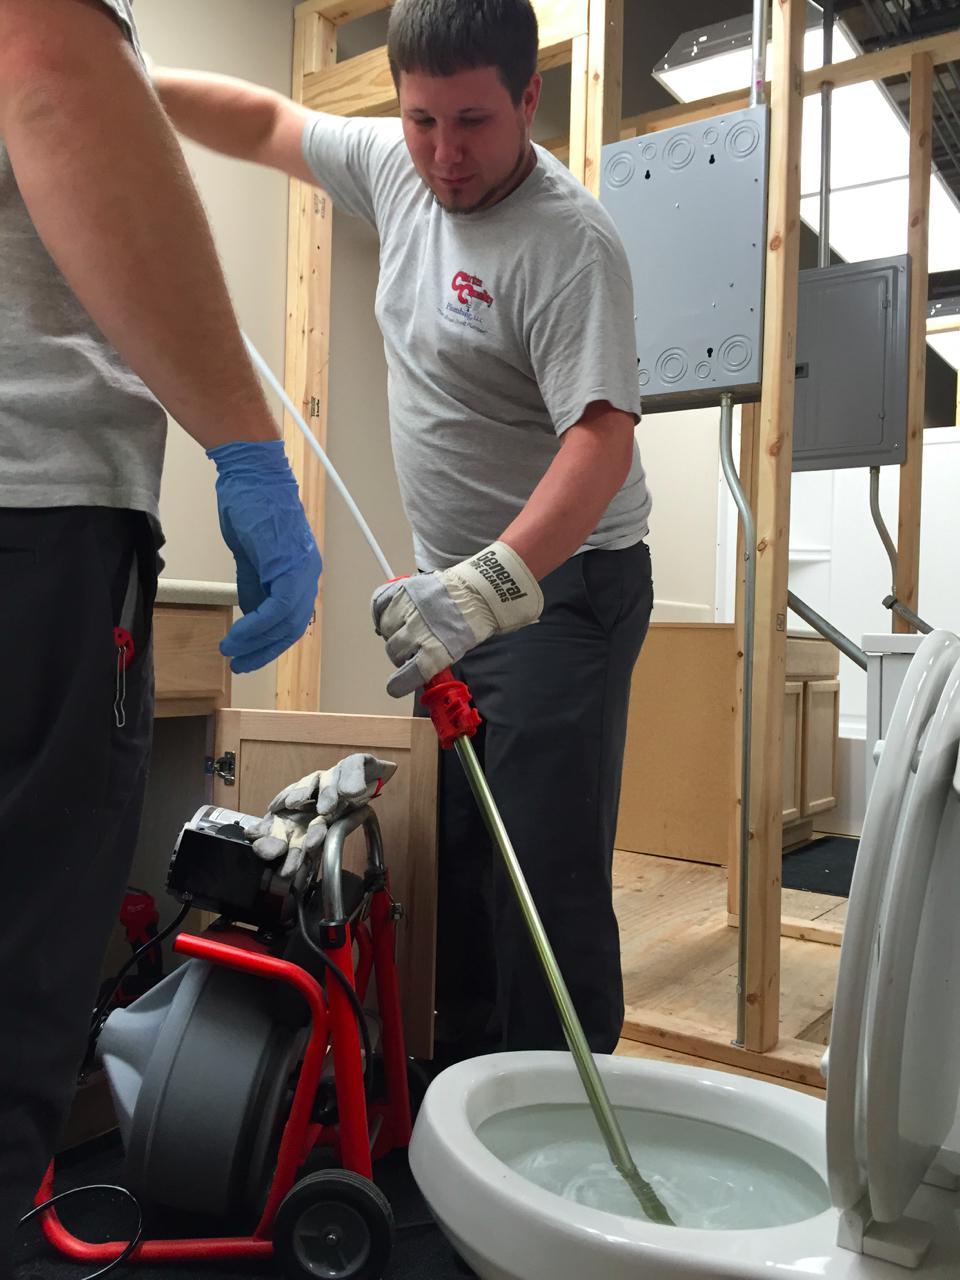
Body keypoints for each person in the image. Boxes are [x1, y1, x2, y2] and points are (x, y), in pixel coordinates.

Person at [153, 0, 652, 1066]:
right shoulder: (395, 166)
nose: (444, 153)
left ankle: (558, 1122)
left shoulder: (569, 243)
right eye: (422, 120)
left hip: (563, 587)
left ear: (528, 98)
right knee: (455, 856)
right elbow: (265, 122)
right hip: (450, 593)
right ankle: (461, 1095)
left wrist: (485, 587)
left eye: (472, 122)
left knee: (539, 880)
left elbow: (602, 440)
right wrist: (126, 92)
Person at [0, 0, 320, 1265]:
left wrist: (140, 80)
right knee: (20, 971)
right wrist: (246, 444)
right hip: (34, 515)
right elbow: (47, 71)